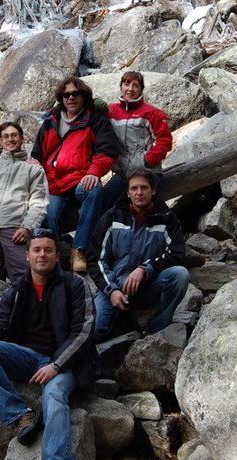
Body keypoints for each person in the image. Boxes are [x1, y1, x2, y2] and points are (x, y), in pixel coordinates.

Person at [0, 228, 96, 460]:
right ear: (27, 256)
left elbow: (84, 330)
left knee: (55, 395)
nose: (42, 255)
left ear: (57, 256)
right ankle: (19, 415)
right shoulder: (16, 290)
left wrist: (57, 365)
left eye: (48, 250)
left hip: (65, 362)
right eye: (36, 250)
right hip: (27, 358)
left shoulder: (74, 284)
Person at [87, 169, 189, 340]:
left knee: (180, 275)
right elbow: (95, 259)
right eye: (134, 188)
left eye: (144, 188)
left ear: (153, 190)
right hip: (116, 287)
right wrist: (111, 290)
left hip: (149, 286)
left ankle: (156, 331)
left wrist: (145, 269)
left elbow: (176, 253)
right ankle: (124, 325)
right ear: (127, 192)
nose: (139, 192)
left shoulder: (166, 218)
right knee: (98, 330)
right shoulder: (112, 217)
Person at [31, 76, 118, 273]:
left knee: (94, 189)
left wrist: (94, 172)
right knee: (48, 215)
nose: (71, 98)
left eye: (75, 94)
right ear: (61, 98)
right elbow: (37, 153)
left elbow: (106, 152)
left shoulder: (95, 120)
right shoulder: (50, 121)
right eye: (66, 94)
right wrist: (34, 163)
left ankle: (80, 249)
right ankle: (53, 258)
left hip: (79, 179)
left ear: (83, 96)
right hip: (53, 183)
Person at [0, 121, 48, 283]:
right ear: (0, 140)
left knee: (24, 278)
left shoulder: (33, 169)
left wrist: (27, 227)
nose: (10, 139)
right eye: (5, 136)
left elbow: (39, 203)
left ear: (21, 139)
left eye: (14, 135)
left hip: (15, 230)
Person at [103, 71, 172, 208]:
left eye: (135, 85)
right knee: (104, 202)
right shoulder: (110, 111)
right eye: (126, 84)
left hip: (148, 172)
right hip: (123, 172)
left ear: (141, 90)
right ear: (121, 87)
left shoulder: (152, 113)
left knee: (141, 209)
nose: (130, 89)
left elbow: (164, 141)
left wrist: (146, 161)